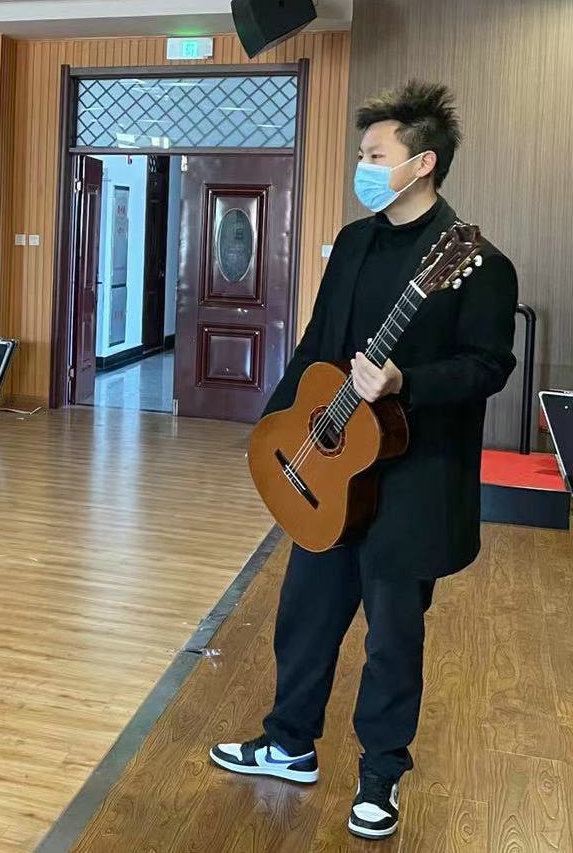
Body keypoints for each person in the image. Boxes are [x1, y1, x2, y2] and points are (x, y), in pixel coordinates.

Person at [209, 82, 518, 840]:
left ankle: (380, 775)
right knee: (305, 615)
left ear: (423, 163)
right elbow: (318, 344)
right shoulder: (352, 243)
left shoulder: (478, 264)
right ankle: (288, 743)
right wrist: (280, 429)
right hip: (327, 469)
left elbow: (488, 366)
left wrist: (407, 382)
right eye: (362, 155)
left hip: (412, 481)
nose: (363, 167)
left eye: (375, 155)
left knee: (392, 639)